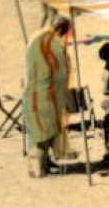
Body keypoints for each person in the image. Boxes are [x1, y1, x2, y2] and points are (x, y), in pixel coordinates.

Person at [23, 16, 76, 175]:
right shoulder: (56, 45)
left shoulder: (36, 39)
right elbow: (61, 73)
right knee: (44, 136)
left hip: (33, 93)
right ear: (62, 30)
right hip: (48, 95)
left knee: (44, 132)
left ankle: (46, 163)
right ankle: (40, 170)